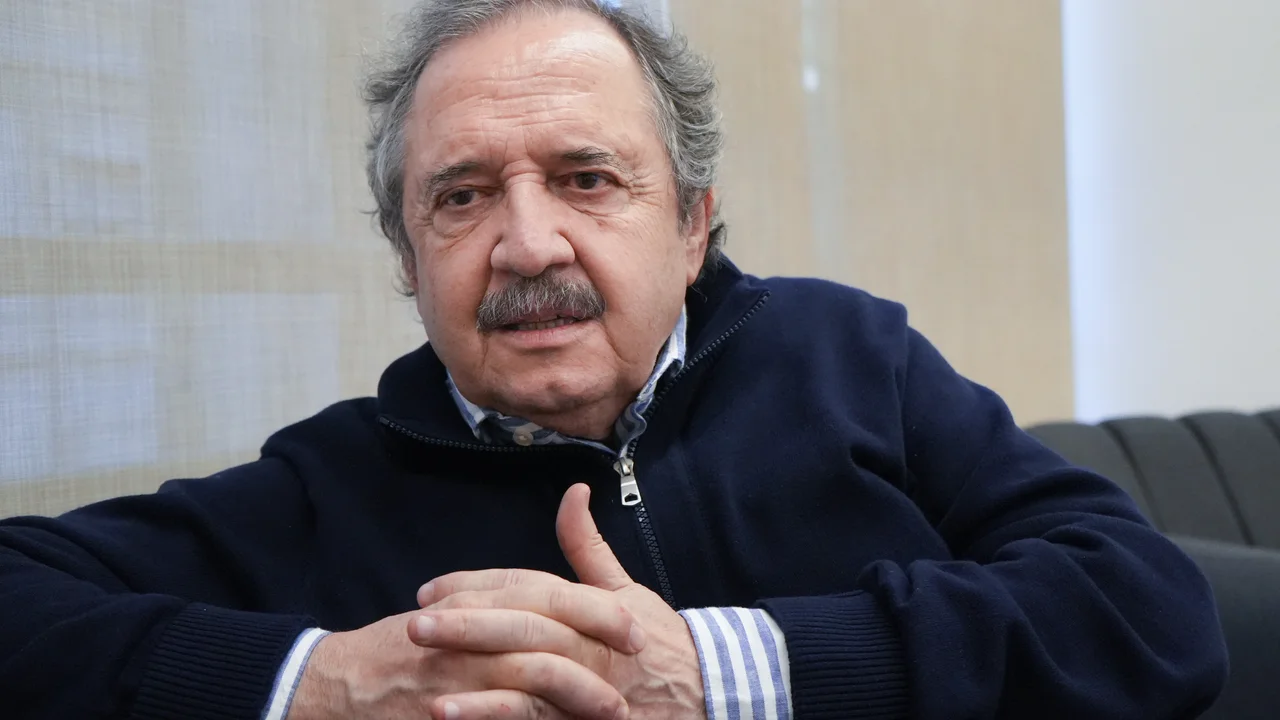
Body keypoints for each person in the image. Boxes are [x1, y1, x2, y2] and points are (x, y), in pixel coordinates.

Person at [0, 0, 1228, 718]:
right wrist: (316, 684)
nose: (527, 242)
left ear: (691, 225)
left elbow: (1145, 611)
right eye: (461, 196)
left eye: (586, 179)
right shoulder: (325, 483)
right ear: (407, 257)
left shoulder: (853, 357)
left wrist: (725, 672)